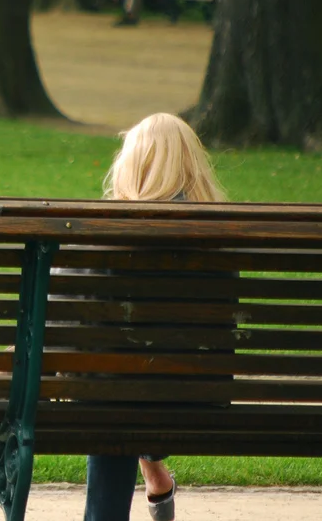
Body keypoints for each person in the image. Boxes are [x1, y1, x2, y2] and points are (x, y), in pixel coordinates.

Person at [82, 112, 227, 521]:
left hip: (112, 398)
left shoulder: (105, 232)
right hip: (195, 394)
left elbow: (75, 322)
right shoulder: (222, 235)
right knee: (129, 378)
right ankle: (153, 468)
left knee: (110, 386)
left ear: (131, 164)